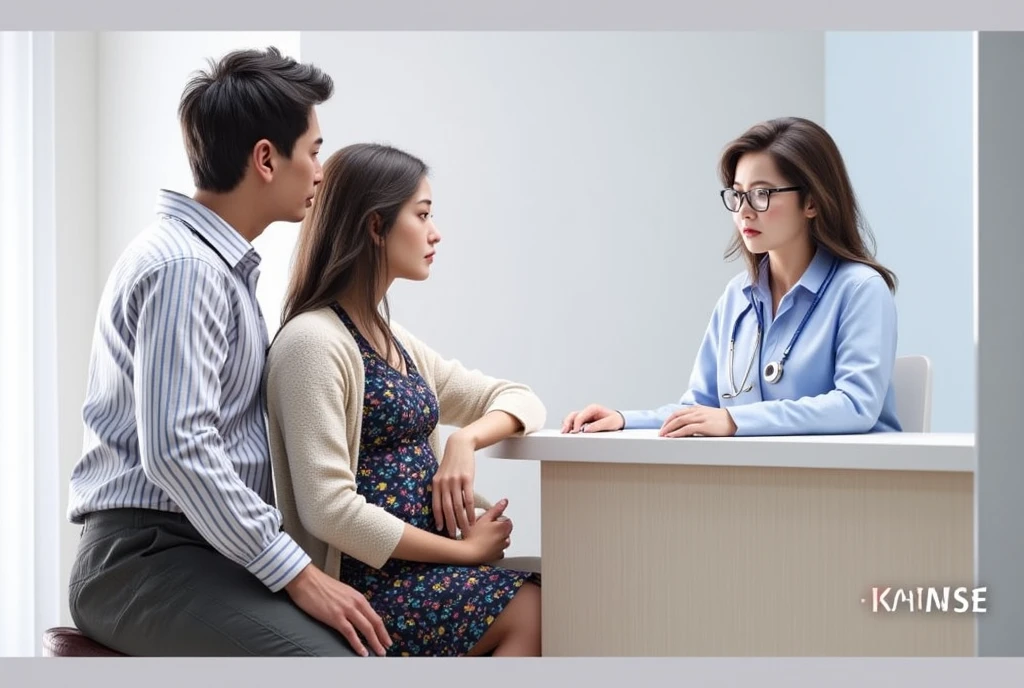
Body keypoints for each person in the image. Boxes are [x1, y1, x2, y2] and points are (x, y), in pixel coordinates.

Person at [66, 47, 393, 657]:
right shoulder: (188, 269)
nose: (322, 171)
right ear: (266, 158)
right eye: (315, 150)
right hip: (144, 560)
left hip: (198, 548)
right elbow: (179, 449)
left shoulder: (219, 266)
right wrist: (296, 572)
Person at [264, 143, 546, 657]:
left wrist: (466, 439)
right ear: (375, 227)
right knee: (532, 610)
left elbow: (518, 398)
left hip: (423, 571)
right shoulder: (312, 343)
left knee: (556, 597)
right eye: (422, 215)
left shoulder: (390, 338)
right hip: (369, 588)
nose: (435, 233)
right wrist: (462, 553)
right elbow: (328, 510)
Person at [562, 116, 902, 438]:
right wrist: (624, 420)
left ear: (811, 202)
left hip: (851, 488)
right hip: (759, 482)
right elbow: (700, 407)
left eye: (762, 193)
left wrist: (735, 419)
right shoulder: (738, 296)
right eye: (738, 194)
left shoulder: (860, 290)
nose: (744, 210)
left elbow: (856, 405)